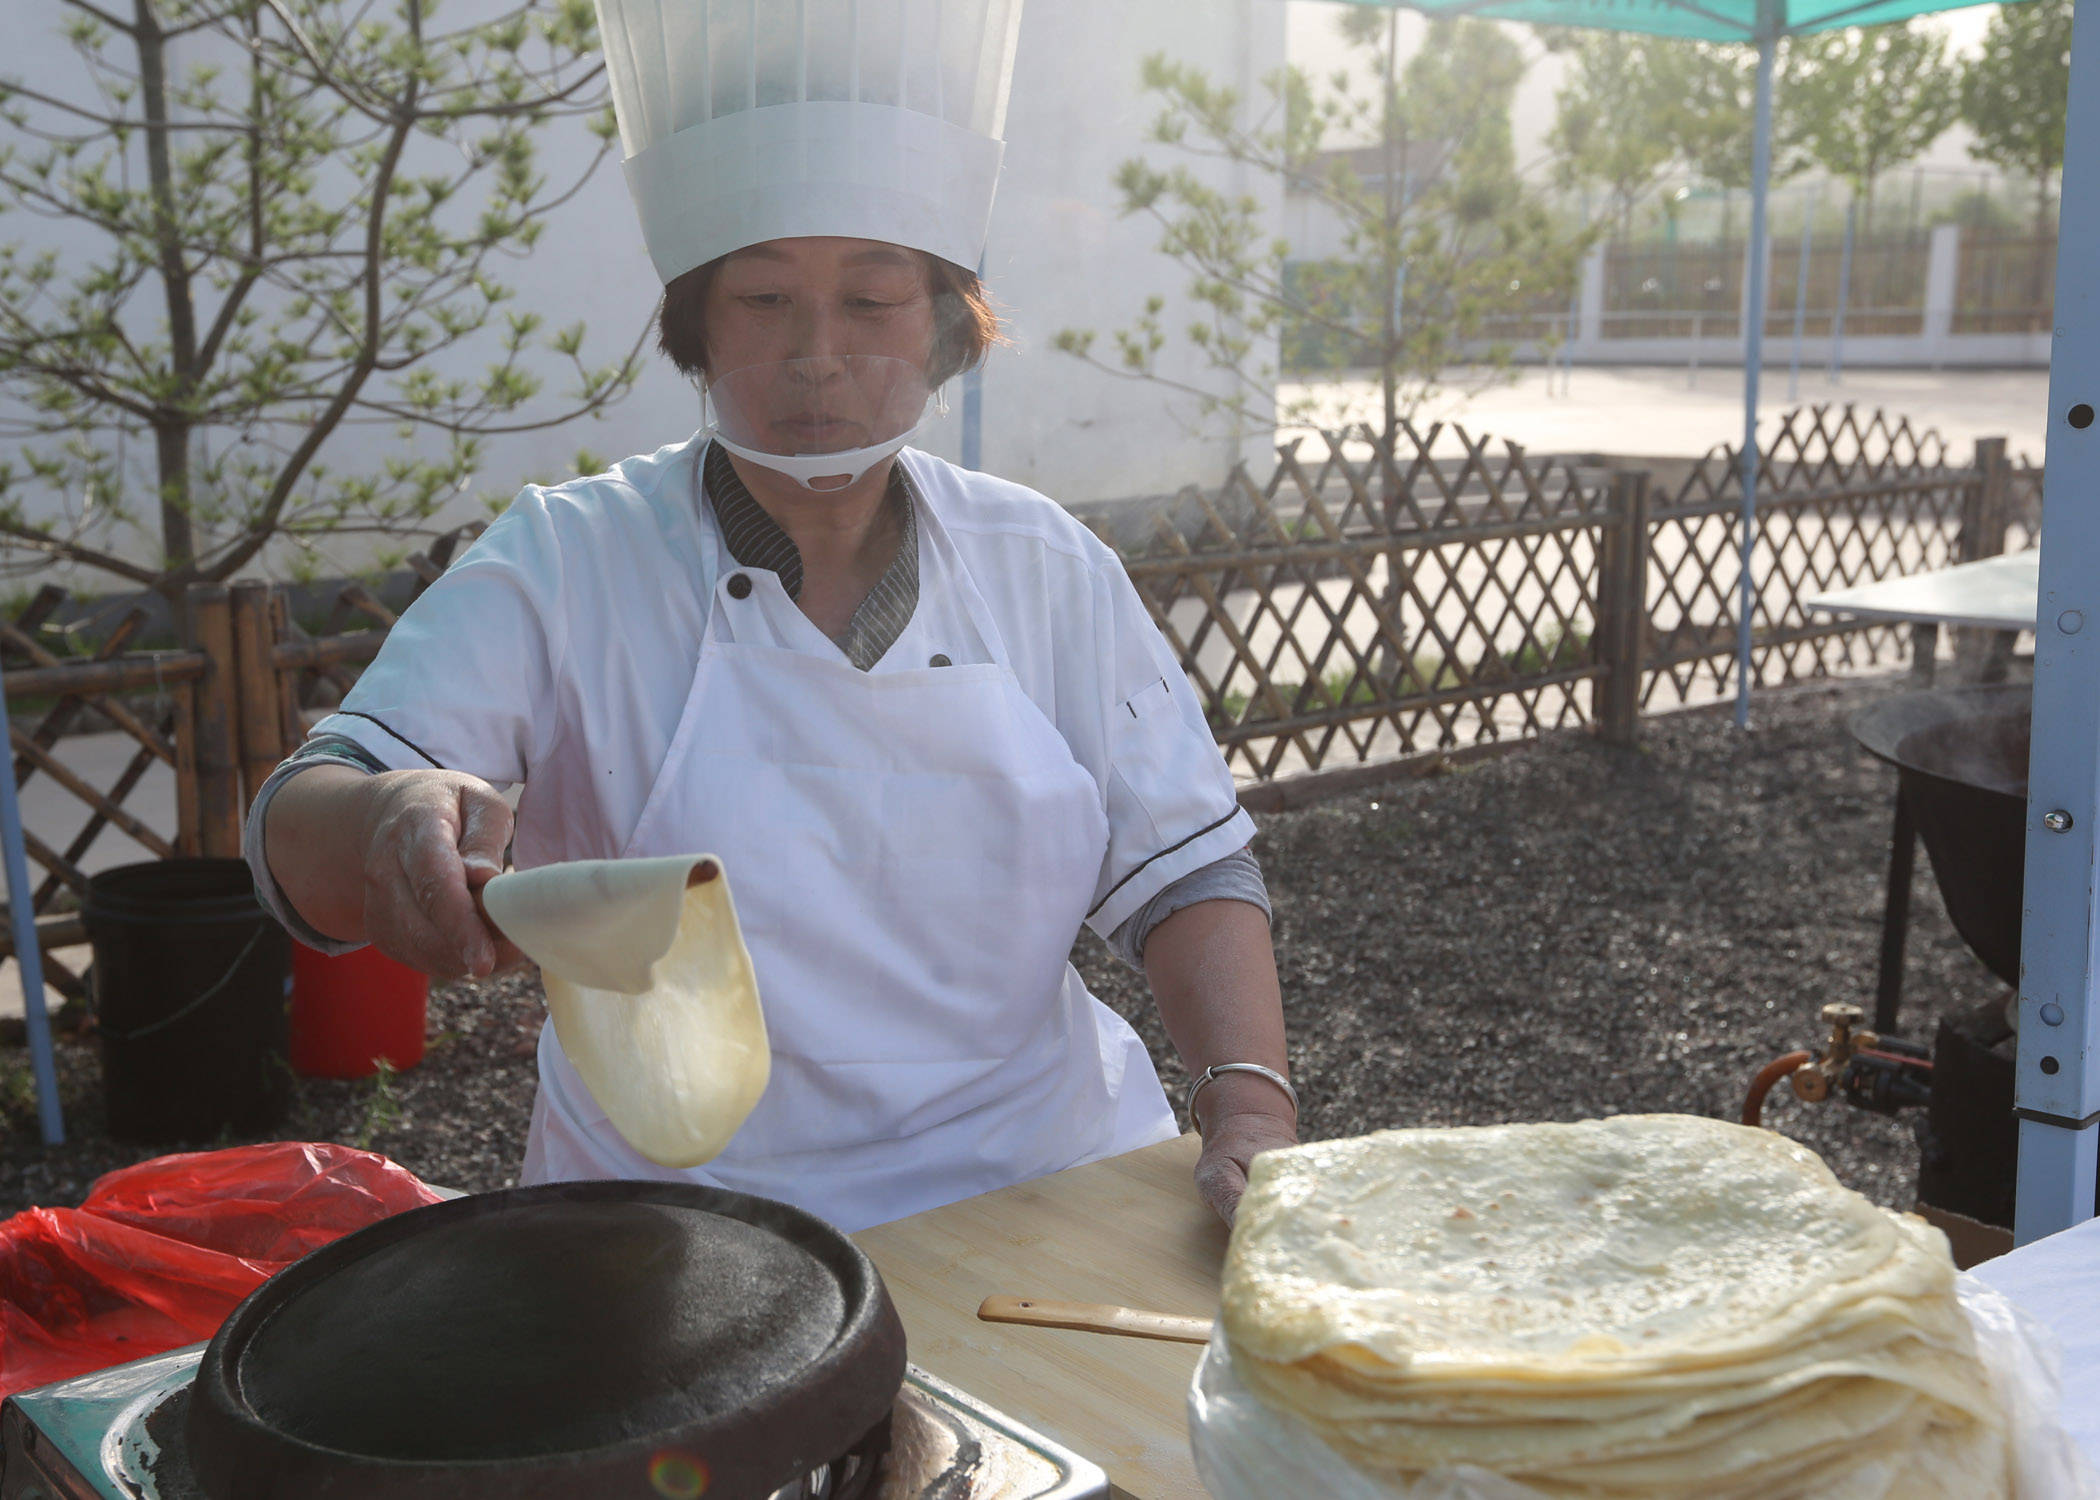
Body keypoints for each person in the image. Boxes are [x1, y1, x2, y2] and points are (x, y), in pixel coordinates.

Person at [244, 0, 1297, 1234]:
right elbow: (295, 833)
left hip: (1037, 1184)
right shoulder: (570, 558)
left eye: (873, 300)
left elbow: (1185, 864)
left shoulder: (1044, 563)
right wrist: (388, 818)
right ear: (693, 325)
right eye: (762, 298)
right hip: (676, 1222)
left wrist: (1248, 1106)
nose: (816, 354)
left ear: (948, 327)